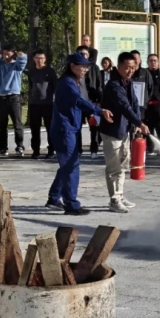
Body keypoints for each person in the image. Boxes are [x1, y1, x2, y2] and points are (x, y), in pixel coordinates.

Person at [45, 53, 113, 216]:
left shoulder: (75, 81)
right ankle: (71, 205)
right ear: (72, 66)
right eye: (83, 66)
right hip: (64, 130)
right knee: (71, 166)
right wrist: (99, 111)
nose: (85, 69)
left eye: (87, 66)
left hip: (71, 128)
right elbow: (79, 101)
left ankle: (54, 198)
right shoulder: (67, 82)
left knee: (68, 164)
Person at [100, 52, 150, 214]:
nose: (130, 71)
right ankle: (114, 200)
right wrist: (139, 123)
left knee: (123, 164)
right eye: (127, 68)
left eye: (133, 68)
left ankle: (120, 195)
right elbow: (124, 106)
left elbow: (134, 103)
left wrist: (137, 123)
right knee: (113, 167)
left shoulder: (127, 82)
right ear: (119, 66)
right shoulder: (114, 85)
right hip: (112, 131)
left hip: (124, 130)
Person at [0, 45, 27, 156]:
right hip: (2, 97)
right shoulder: (0, 65)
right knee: (2, 125)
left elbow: (23, 56)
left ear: (13, 54)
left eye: (8, 54)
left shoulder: (17, 66)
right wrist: (1, 51)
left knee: (17, 124)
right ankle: (3, 148)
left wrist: (14, 53)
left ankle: (19, 146)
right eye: (4, 54)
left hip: (14, 97)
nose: (5, 56)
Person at [27, 50, 58, 159]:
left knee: (50, 128)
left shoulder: (50, 71)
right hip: (34, 104)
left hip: (48, 103)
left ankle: (51, 150)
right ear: (34, 59)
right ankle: (36, 151)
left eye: (41, 58)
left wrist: (54, 99)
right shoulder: (31, 72)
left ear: (45, 59)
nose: (39, 60)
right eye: (37, 58)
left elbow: (55, 86)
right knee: (35, 129)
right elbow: (31, 86)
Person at [76, 44, 103, 158]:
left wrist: (99, 100)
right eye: (80, 54)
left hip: (91, 102)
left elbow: (99, 84)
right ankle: (78, 149)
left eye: (85, 54)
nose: (83, 56)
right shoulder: (73, 67)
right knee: (77, 127)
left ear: (89, 55)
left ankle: (94, 150)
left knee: (94, 127)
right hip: (78, 102)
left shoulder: (94, 68)